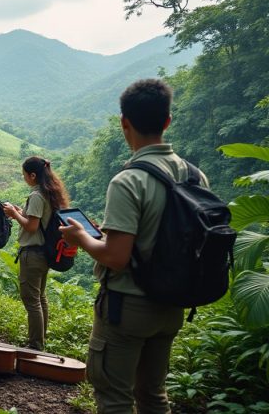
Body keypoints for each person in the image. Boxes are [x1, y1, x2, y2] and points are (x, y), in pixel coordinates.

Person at [60, 78, 196, 413]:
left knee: (115, 398)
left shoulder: (130, 180)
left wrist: (81, 238)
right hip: (172, 304)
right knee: (153, 395)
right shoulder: (193, 176)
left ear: (124, 123)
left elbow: (116, 257)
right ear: (167, 121)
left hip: (128, 307)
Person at [3, 157, 70, 351]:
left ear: (32, 175)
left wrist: (14, 214)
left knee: (31, 300)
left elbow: (32, 227)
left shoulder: (36, 196)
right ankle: (40, 339)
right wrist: (20, 211)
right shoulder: (49, 193)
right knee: (40, 298)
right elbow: (38, 220)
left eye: (24, 175)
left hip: (32, 254)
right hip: (44, 253)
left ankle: (35, 345)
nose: (24, 178)